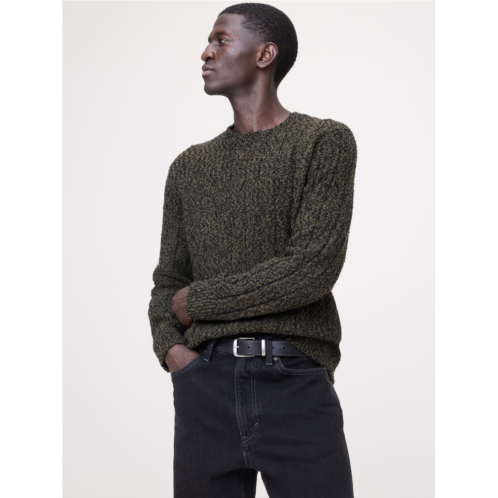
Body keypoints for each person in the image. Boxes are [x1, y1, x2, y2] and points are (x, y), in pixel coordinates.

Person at [148, 3, 357, 497]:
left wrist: (198, 302)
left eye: (220, 40)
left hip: (295, 380)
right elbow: (168, 282)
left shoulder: (323, 142)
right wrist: (173, 351)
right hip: (205, 383)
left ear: (265, 54)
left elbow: (311, 269)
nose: (206, 53)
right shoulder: (189, 167)